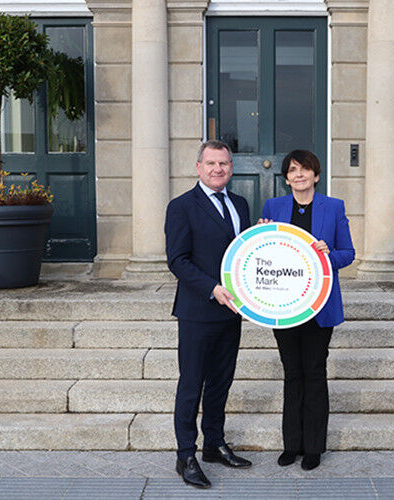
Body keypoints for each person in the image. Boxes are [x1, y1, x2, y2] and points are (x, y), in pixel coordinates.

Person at [259, 149, 355, 471]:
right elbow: (265, 254)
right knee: (292, 372)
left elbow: (348, 253)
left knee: (314, 372)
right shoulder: (273, 207)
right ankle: (292, 445)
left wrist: (328, 255)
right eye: (292, 170)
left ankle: (313, 447)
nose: (298, 175)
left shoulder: (334, 207)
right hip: (284, 305)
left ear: (316, 175)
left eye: (304, 169)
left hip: (319, 306)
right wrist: (258, 236)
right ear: (286, 178)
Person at [164, 140, 252, 489]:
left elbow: (244, 252)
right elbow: (177, 260)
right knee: (192, 384)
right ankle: (185, 455)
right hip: (198, 310)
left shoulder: (240, 204)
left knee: (221, 382)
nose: (218, 169)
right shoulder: (181, 206)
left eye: (224, 163)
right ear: (198, 167)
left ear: (231, 168)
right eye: (212, 163)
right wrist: (212, 288)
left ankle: (214, 444)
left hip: (231, 312)